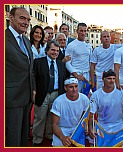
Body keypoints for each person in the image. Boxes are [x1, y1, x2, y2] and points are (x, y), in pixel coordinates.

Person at [88, 69, 123, 147]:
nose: (112, 81)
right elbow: (91, 114)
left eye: (114, 78)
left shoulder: (122, 92)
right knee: (92, 138)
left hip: (119, 125)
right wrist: (91, 128)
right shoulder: (96, 95)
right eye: (109, 78)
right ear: (103, 79)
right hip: (102, 126)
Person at [32, 40, 70, 146]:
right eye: (53, 50)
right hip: (42, 93)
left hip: (57, 94)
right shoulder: (38, 62)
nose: (55, 53)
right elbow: (33, 77)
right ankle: (37, 140)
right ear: (47, 50)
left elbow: (64, 78)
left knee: (52, 117)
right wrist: (34, 91)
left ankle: (49, 135)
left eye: (57, 51)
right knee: (40, 117)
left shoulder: (61, 64)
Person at [5, 7, 33, 146]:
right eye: (22, 18)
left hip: (26, 99)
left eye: (28, 20)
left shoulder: (26, 41)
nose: (26, 22)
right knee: (11, 139)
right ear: (11, 18)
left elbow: (29, 70)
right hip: (10, 100)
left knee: (23, 139)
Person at [50, 77, 90, 146]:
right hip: (62, 129)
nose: (74, 89)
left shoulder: (84, 99)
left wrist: (86, 127)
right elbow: (55, 125)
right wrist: (62, 138)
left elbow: (85, 118)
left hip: (77, 129)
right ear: (65, 88)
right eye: (71, 87)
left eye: (76, 86)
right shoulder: (58, 101)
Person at [65, 23, 93, 93]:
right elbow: (67, 63)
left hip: (86, 76)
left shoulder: (89, 46)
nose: (83, 33)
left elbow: (91, 62)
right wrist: (76, 75)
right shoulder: (71, 45)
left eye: (84, 31)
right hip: (75, 77)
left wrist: (91, 77)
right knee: (74, 97)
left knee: (85, 98)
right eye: (81, 31)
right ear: (77, 31)